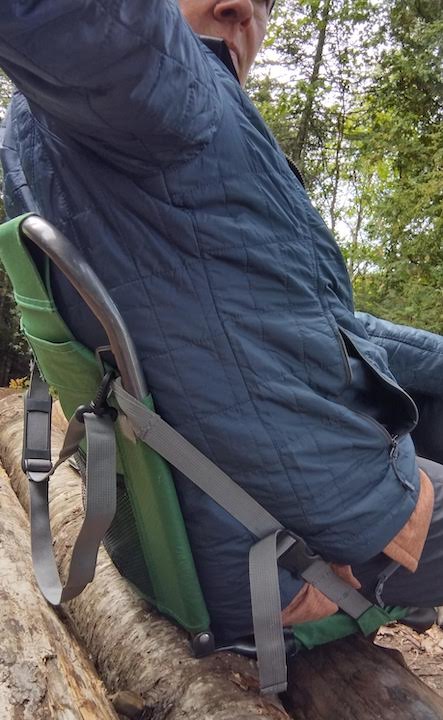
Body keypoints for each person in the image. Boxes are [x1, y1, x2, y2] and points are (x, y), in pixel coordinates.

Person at [1, 0, 442, 645]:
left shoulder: (66, 140)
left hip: (215, 527)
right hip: (288, 549)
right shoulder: (164, 95)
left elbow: (327, 323)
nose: (244, 13)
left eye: (266, 5)